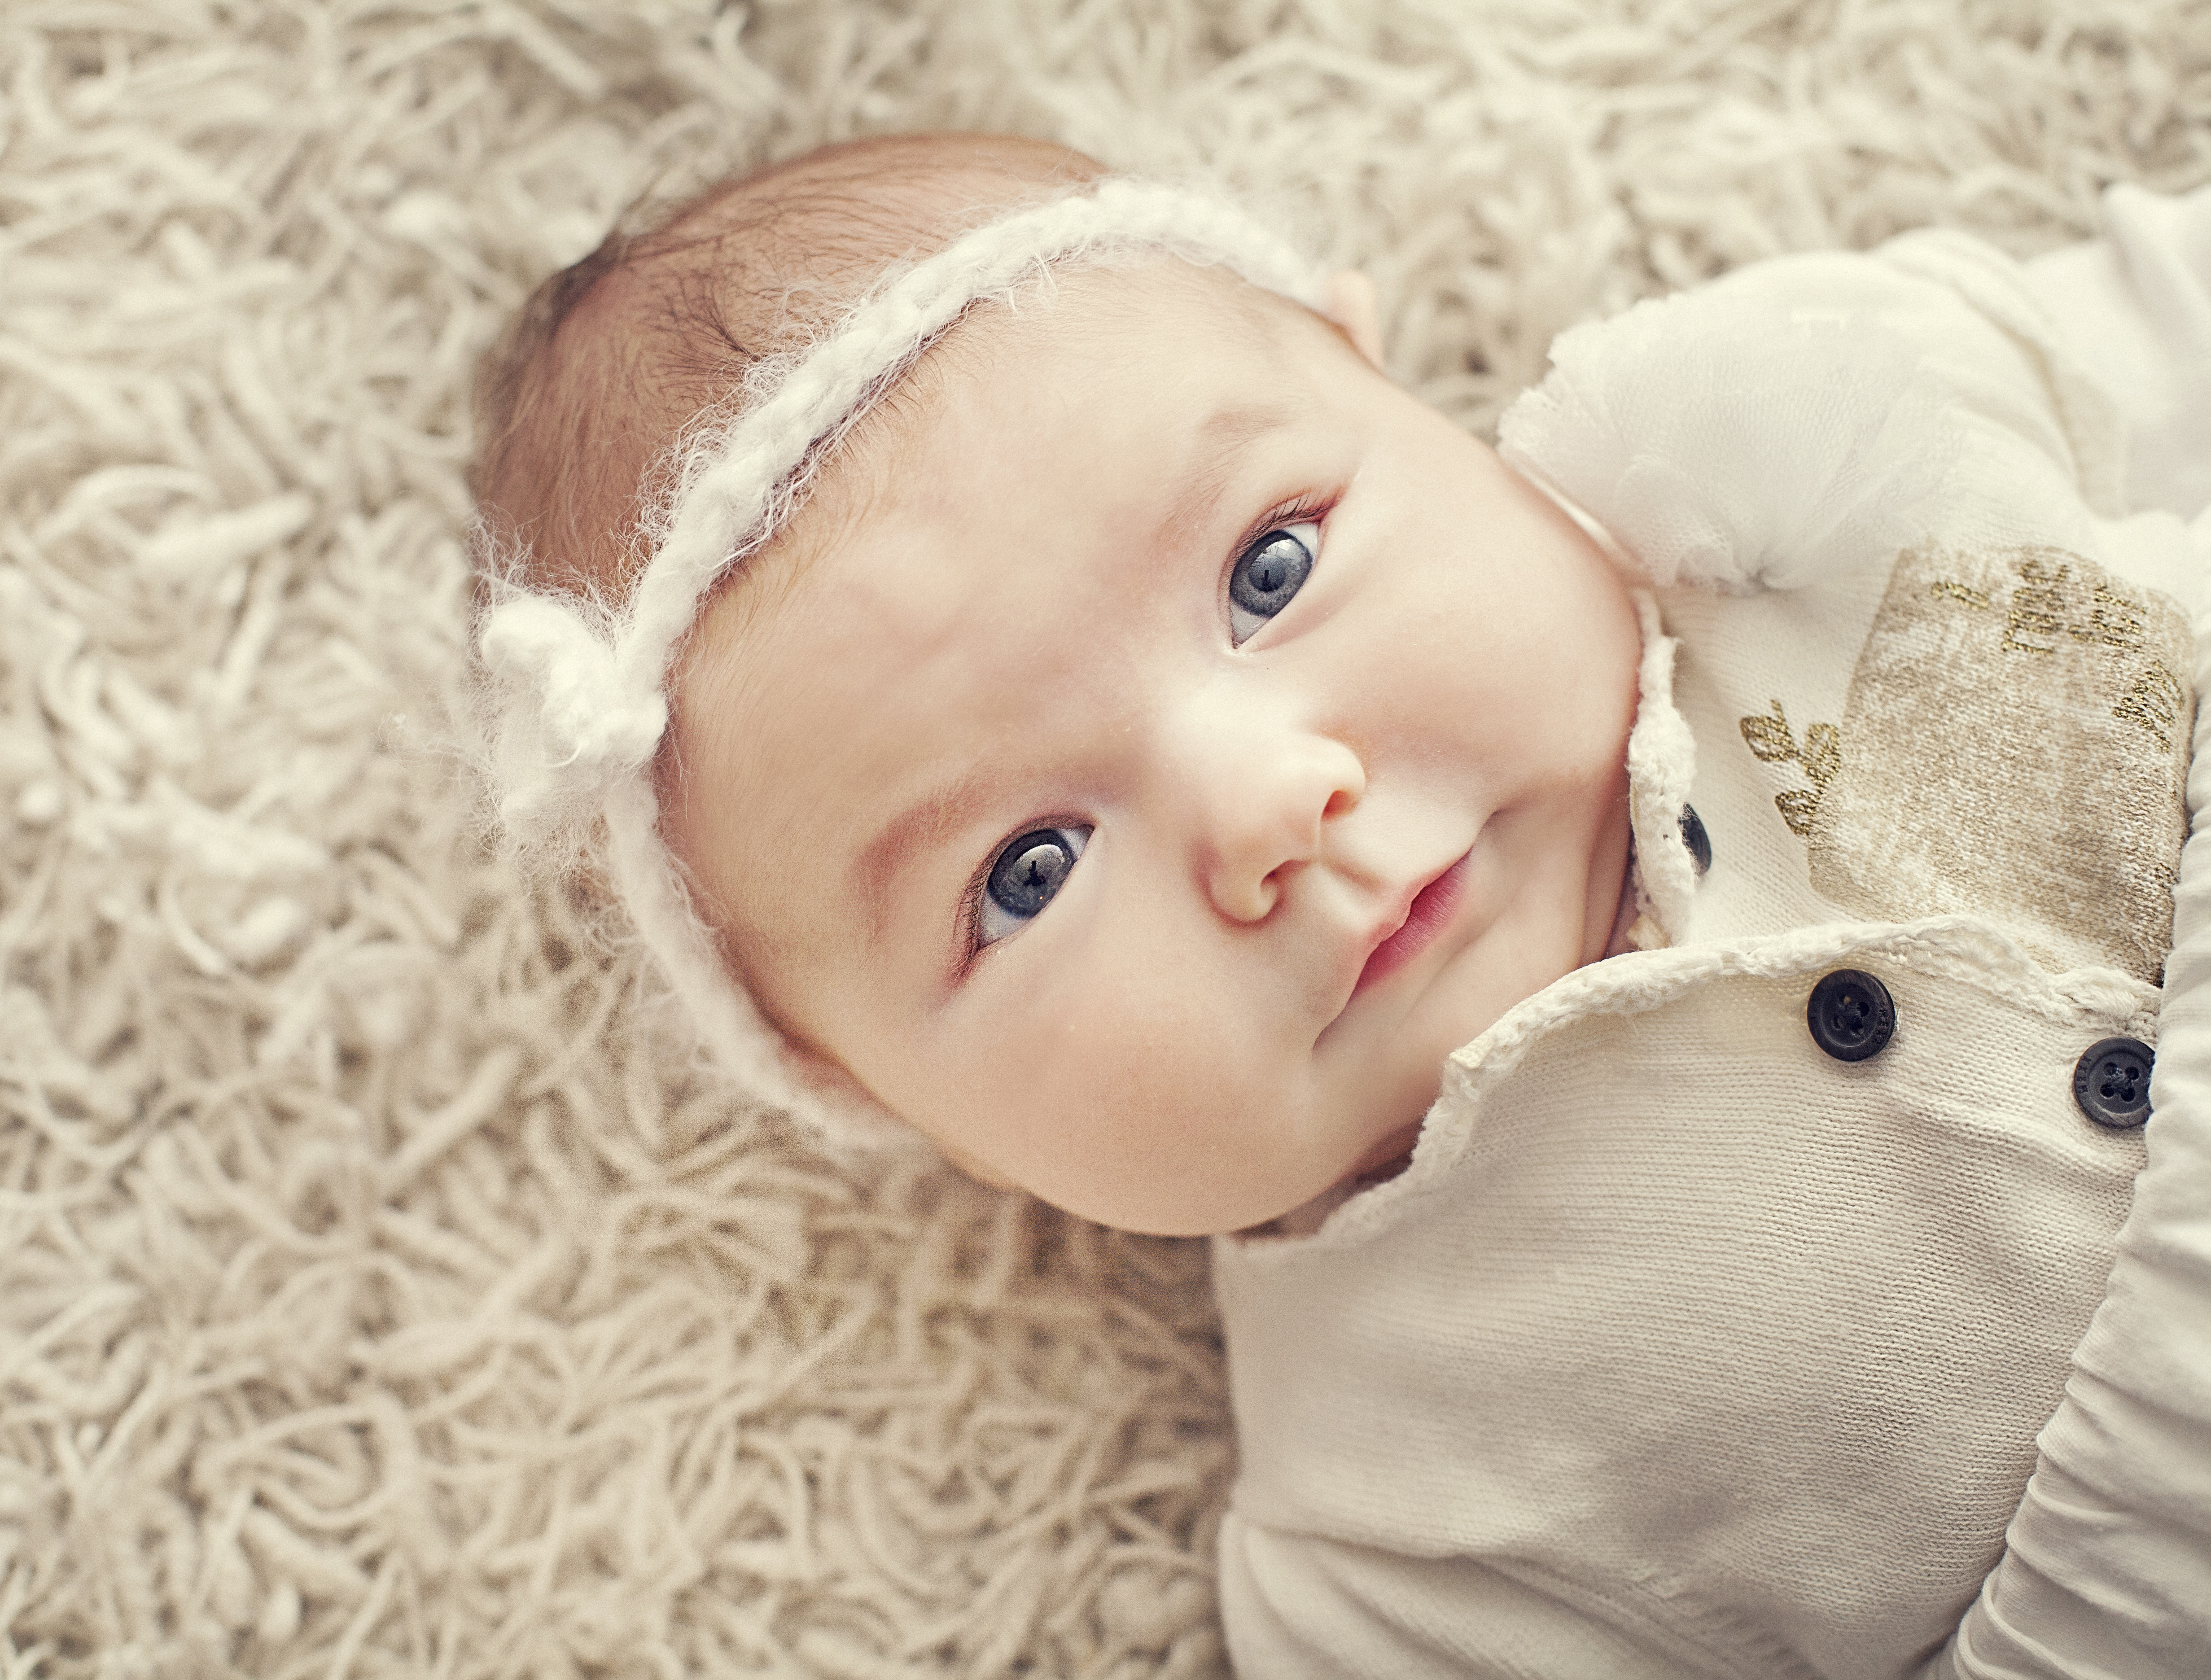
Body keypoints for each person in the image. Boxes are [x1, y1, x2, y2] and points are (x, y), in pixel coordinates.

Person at [468, 131, 2211, 1675]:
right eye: (1029, 871)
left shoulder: (1797, 443)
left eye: (1269, 570)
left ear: (1390, 385)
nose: (1270, 805)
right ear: (882, 1099)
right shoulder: (1401, 1549)